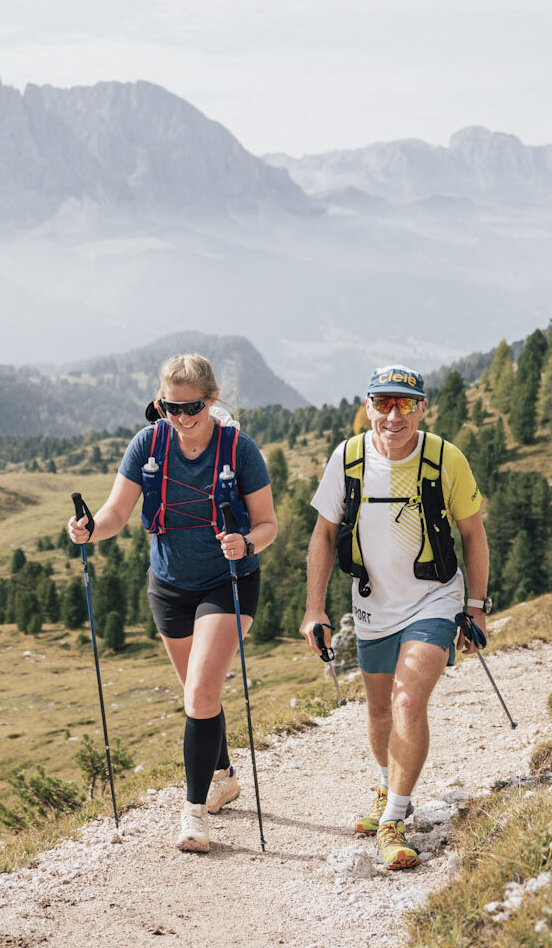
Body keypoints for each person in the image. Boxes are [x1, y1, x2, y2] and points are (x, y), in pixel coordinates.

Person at [68, 353, 276, 853]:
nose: (182, 419)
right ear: (160, 403)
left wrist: (246, 544)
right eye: (171, 408)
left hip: (227, 580)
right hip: (168, 585)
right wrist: (90, 529)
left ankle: (194, 815)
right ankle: (223, 773)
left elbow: (268, 524)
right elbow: (118, 512)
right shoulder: (148, 443)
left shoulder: (239, 449)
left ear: (213, 399)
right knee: (196, 696)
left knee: (202, 694)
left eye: (194, 408)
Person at [302, 364, 489, 870]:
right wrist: (314, 608)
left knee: (408, 703)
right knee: (380, 709)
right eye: (382, 403)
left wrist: (475, 606)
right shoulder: (347, 458)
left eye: (405, 404)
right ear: (367, 407)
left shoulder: (446, 458)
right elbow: (322, 534)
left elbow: (473, 533)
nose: (393, 414)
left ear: (422, 408)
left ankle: (395, 819)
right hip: (371, 607)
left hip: (434, 599)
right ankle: (385, 788)